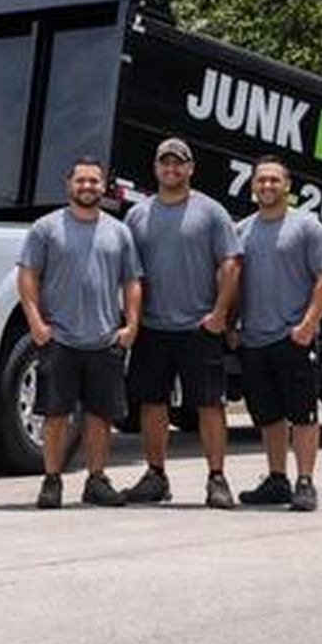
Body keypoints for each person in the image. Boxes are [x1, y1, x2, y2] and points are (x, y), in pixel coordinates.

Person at [122, 137, 242, 508]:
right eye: (165, 162)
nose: (171, 168)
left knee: (209, 404)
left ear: (190, 168)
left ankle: (217, 479)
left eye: (178, 162)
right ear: (156, 168)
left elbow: (231, 263)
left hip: (198, 327)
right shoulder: (137, 215)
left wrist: (219, 315)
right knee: (152, 403)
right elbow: (129, 273)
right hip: (152, 327)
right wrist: (132, 320)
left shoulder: (211, 212)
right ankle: (155, 476)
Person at [17, 156, 142, 509]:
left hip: (104, 339)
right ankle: (52, 481)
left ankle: (96, 480)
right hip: (60, 339)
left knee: (100, 416)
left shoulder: (119, 231)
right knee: (55, 415)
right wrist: (36, 324)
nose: (88, 186)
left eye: (94, 181)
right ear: (69, 184)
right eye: (81, 181)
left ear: (104, 187)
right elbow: (27, 276)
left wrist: (131, 325)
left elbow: (132, 280)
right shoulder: (46, 228)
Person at [235, 156, 322, 511]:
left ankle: (305, 482)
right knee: (269, 415)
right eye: (261, 180)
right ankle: (277, 480)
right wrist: (233, 326)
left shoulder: (307, 227)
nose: (267, 186)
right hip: (254, 338)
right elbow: (234, 282)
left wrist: (307, 325)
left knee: (303, 414)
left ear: (288, 186)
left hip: (294, 338)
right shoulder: (242, 230)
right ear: (252, 185)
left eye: (275, 180)